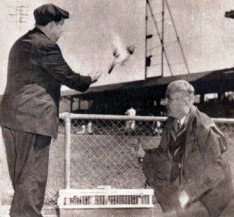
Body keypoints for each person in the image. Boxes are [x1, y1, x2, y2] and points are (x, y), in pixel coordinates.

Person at [0, 4, 115, 217]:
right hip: (33, 122)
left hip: (11, 121)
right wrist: (91, 77)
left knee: (22, 183)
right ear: (52, 25)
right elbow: (71, 79)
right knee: (32, 183)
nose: (63, 31)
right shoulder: (45, 45)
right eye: (61, 26)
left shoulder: (21, 43)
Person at [143, 80, 234, 217]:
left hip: (217, 197)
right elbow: (164, 154)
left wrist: (190, 192)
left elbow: (217, 168)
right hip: (190, 194)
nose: (165, 103)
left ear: (185, 101)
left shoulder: (202, 125)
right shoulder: (171, 123)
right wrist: (146, 157)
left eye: (169, 99)